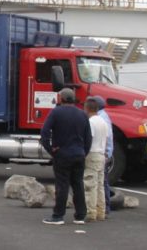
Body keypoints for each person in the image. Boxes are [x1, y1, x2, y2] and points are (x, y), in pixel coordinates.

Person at [40, 88, 91, 225]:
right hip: (79, 153)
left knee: (62, 185)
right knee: (78, 184)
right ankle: (80, 215)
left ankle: (58, 215)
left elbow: (44, 133)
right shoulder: (82, 114)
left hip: (62, 153)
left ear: (60, 98)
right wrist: (84, 151)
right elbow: (88, 137)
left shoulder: (56, 112)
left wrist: (51, 150)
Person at [84, 97, 108, 222]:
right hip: (101, 153)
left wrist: (84, 152)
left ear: (87, 108)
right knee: (100, 185)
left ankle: (91, 211)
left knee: (90, 184)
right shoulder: (103, 122)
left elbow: (89, 138)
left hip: (92, 153)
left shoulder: (91, 122)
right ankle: (101, 211)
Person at [93, 96, 114, 216]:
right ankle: (104, 207)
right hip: (105, 153)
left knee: (101, 182)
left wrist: (106, 153)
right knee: (102, 182)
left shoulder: (100, 118)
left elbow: (106, 136)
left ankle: (105, 207)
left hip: (102, 154)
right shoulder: (104, 116)